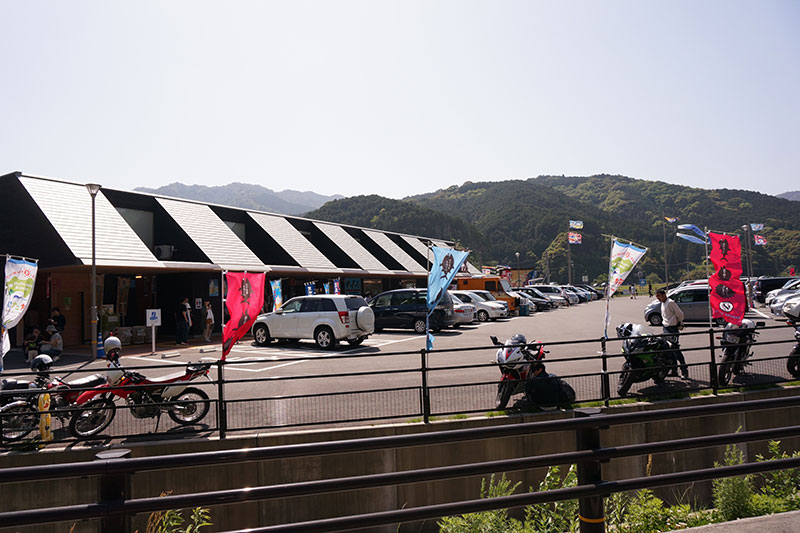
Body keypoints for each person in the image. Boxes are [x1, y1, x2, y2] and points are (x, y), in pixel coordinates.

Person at [655, 289, 688, 379]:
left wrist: (679, 322)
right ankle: (674, 370)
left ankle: (684, 371)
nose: (658, 298)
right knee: (669, 351)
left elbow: (680, 314)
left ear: (663, 295)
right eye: (657, 297)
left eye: (659, 296)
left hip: (672, 329)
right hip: (666, 328)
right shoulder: (663, 303)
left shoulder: (670, 302)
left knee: (676, 350)